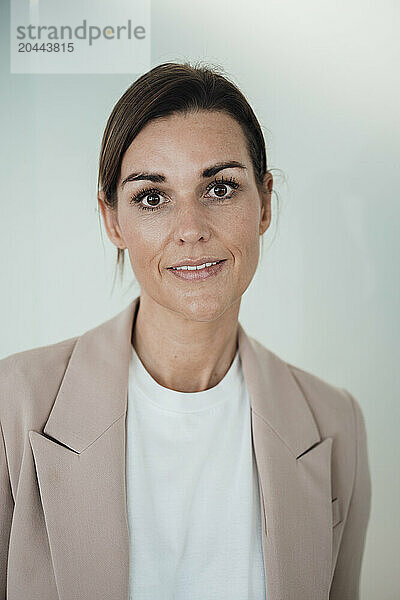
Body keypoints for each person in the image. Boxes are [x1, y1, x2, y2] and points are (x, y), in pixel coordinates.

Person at [0, 61, 371, 600]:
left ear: (264, 202)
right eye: (152, 197)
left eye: (220, 189)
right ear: (112, 220)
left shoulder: (338, 424)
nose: (192, 230)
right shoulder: (14, 403)